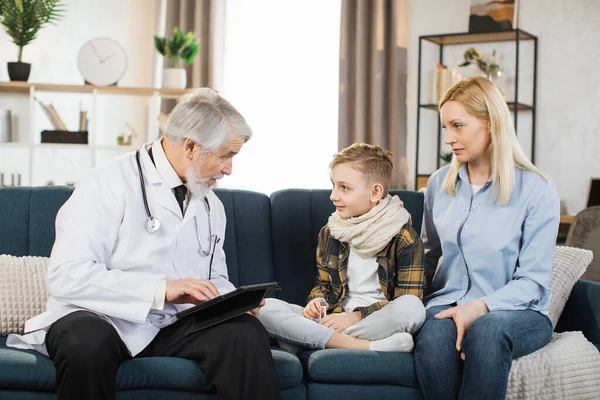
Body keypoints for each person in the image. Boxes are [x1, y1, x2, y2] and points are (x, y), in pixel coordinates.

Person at [6, 88, 281, 400]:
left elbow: (212, 276)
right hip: (99, 317)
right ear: (191, 146)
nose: (229, 169)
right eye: (226, 156)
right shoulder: (107, 183)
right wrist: (160, 289)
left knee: (243, 334)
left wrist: (232, 302)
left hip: (170, 325)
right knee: (86, 341)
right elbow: (66, 275)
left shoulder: (210, 204)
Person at [414, 77, 560, 400]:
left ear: (490, 123)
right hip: (447, 303)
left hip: (520, 312)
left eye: (458, 126)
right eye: (445, 128)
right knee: (433, 335)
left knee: (486, 329)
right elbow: (428, 257)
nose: (448, 138)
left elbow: (533, 282)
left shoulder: (537, 189)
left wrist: (479, 307)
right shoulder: (439, 184)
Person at [258, 143, 426, 353]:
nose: (333, 196)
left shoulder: (404, 237)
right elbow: (324, 285)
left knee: (413, 308)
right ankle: (365, 346)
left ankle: (306, 339)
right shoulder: (331, 231)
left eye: (344, 187)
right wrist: (317, 302)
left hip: (374, 320)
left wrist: (354, 317)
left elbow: (408, 297)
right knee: (265, 308)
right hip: (332, 319)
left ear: (375, 192)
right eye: (333, 185)